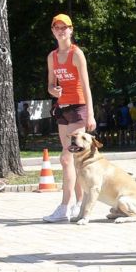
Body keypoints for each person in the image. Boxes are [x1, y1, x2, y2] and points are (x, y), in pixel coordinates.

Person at [43, 14, 96, 222]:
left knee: (66, 158)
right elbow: (50, 85)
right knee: (70, 161)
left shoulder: (77, 54)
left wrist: (90, 114)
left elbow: (86, 85)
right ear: (53, 31)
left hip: (78, 108)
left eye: (64, 27)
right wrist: (53, 90)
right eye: (57, 27)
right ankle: (77, 204)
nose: (61, 30)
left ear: (71, 30)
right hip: (62, 109)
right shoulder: (52, 57)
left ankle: (65, 206)